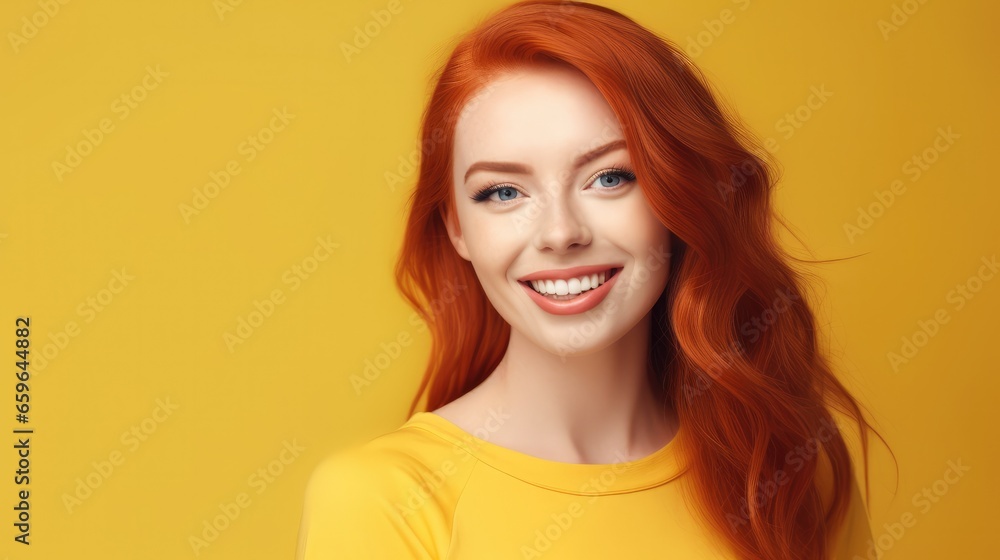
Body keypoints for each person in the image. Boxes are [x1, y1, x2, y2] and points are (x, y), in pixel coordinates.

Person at [296, 1, 888, 558]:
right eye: (503, 192)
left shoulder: (787, 462)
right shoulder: (381, 500)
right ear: (457, 228)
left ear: (680, 197)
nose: (560, 233)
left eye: (610, 177)